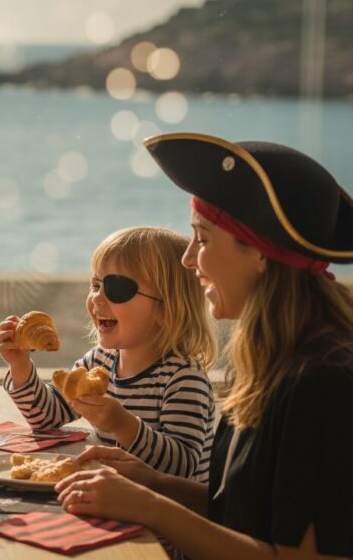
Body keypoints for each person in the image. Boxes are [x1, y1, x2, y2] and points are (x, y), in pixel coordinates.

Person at [56, 133, 353, 559]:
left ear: (260, 253)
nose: (188, 258)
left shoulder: (323, 386)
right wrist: (151, 482)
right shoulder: (270, 362)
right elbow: (243, 512)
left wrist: (151, 507)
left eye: (203, 238)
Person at [0, 226, 218, 481]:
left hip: (170, 512)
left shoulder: (183, 380)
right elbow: (47, 418)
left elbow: (182, 466)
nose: (96, 299)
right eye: (95, 285)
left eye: (117, 289)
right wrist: (20, 366)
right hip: (117, 499)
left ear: (167, 309)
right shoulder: (98, 363)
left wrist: (124, 425)